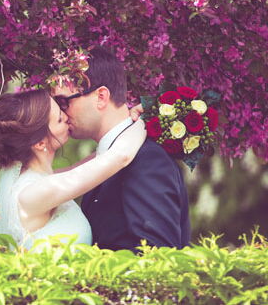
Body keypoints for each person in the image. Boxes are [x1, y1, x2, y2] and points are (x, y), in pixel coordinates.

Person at [51, 48, 190, 251]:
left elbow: (159, 256)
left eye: (63, 102)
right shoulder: (106, 159)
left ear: (101, 97)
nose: (58, 112)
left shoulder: (148, 160)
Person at [0, 89, 146, 249]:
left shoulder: (40, 179)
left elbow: (95, 161)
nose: (67, 117)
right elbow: (120, 156)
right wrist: (142, 119)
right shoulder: (33, 193)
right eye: (60, 119)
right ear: (40, 143)